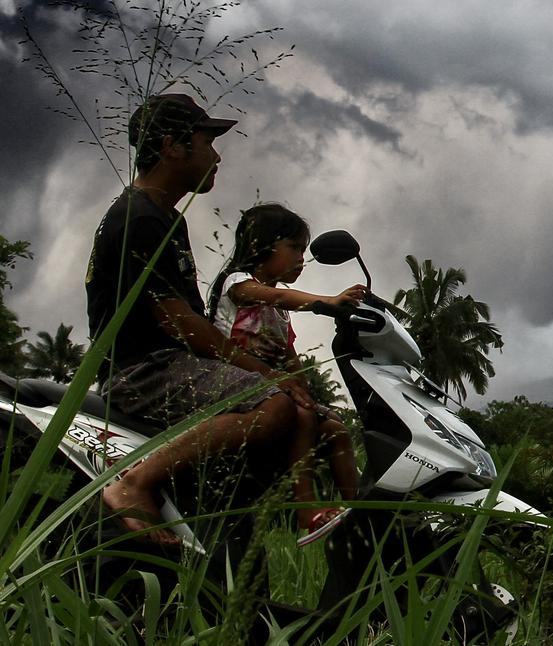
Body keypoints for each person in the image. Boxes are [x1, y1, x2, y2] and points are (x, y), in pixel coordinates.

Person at [88, 93, 312, 545]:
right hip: (144, 371)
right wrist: (265, 373)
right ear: (172, 146)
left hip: (171, 366)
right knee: (274, 404)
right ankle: (133, 483)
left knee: (306, 420)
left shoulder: (166, 218)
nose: (217, 155)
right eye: (206, 141)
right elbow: (180, 322)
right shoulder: (139, 217)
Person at [207, 202, 364, 546]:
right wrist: (327, 302)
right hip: (232, 383)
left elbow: (290, 356)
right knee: (304, 418)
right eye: (294, 247)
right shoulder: (239, 284)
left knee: (336, 429)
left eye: (303, 250)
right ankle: (306, 510)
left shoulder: (279, 314)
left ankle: (362, 514)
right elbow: (277, 296)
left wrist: (306, 390)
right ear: (260, 245)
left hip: (269, 387)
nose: (301, 258)